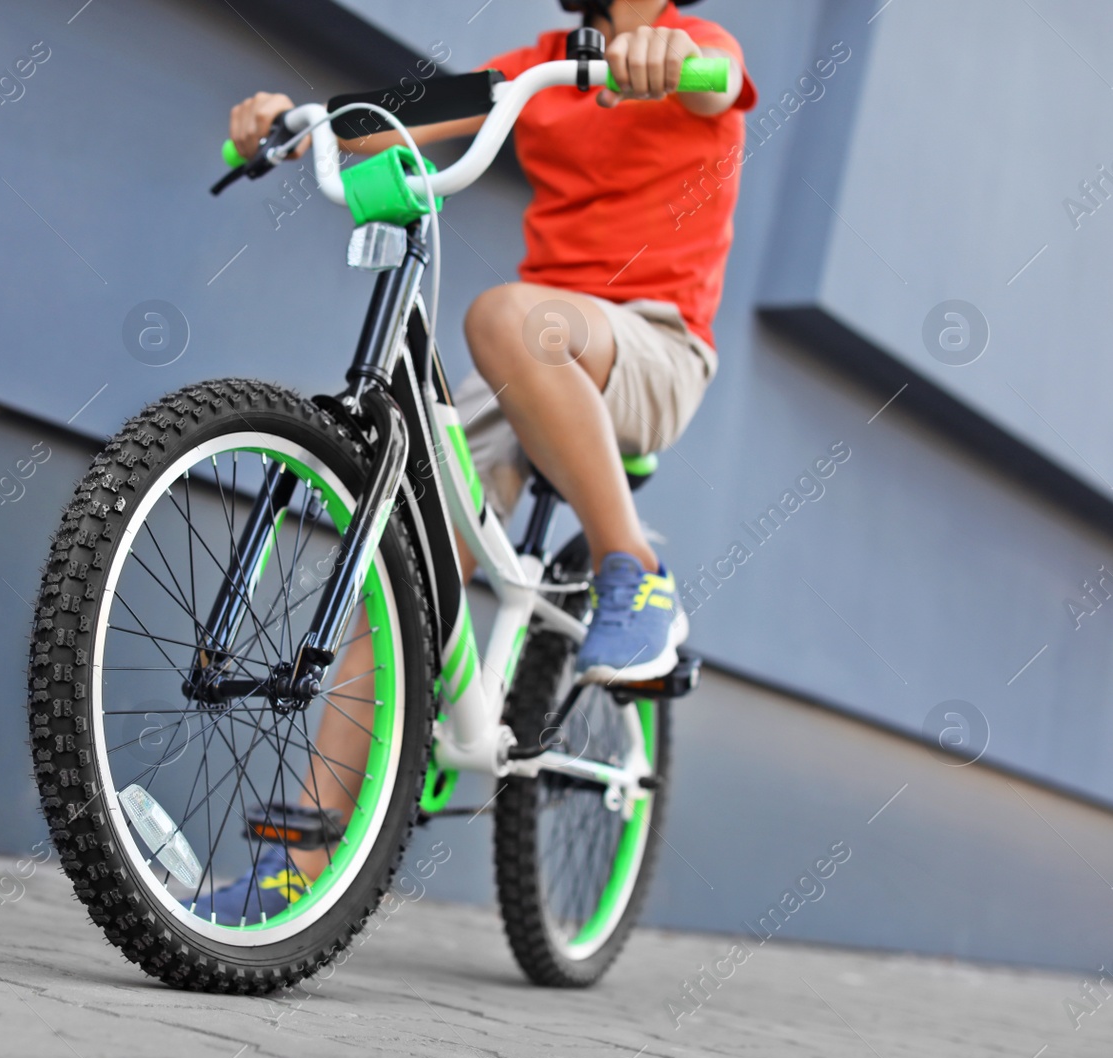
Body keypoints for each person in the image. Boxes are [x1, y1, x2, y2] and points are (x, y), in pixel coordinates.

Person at [198, 0, 756, 922]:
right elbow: (396, 119)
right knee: (409, 562)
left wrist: (664, 57)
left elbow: (721, 84)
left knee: (507, 315)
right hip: (532, 363)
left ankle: (636, 574)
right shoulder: (539, 64)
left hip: (653, 348)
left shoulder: (695, 48)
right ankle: (297, 861)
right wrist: (297, 122)